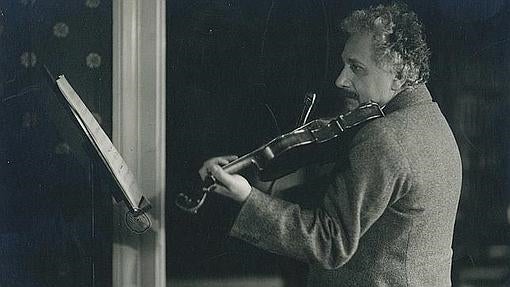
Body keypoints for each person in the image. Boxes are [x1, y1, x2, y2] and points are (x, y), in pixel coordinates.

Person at [199, 2, 462, 286]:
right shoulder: (432, 121)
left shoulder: (385, 137)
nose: (341, 79)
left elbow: (330, 242)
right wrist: (260, 187)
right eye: (344, 63)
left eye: (356, 68)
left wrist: (247, 198)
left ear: (398, 75)